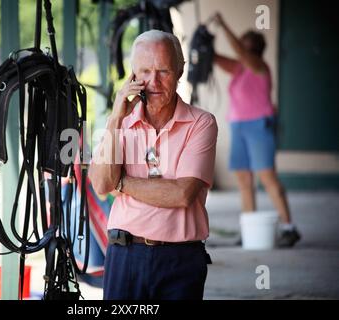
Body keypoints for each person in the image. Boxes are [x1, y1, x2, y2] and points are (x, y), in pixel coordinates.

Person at [89, 30, 218, 300]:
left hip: (180, 260)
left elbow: (182, 194)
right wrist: (115, 118)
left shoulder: (201, 123)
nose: (154, 81)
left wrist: (121, 182)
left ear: (180, 71)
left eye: (163, 71)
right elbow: (102, 184)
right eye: (145, 71)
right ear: (133, 76)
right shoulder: (121, 121)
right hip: (125, 256)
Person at [213, 13, 301, 247]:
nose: (240, 46)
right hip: (238, 126)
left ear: (254, 48)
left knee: (267, 177)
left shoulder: (259, 66)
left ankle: (289, 227)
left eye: (244, 42)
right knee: (243, 179)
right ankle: (249, 230)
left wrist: (223, 25)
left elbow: (240, 53)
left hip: (259, 125)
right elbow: (216, 58)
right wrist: (205, 41)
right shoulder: (239, 68)